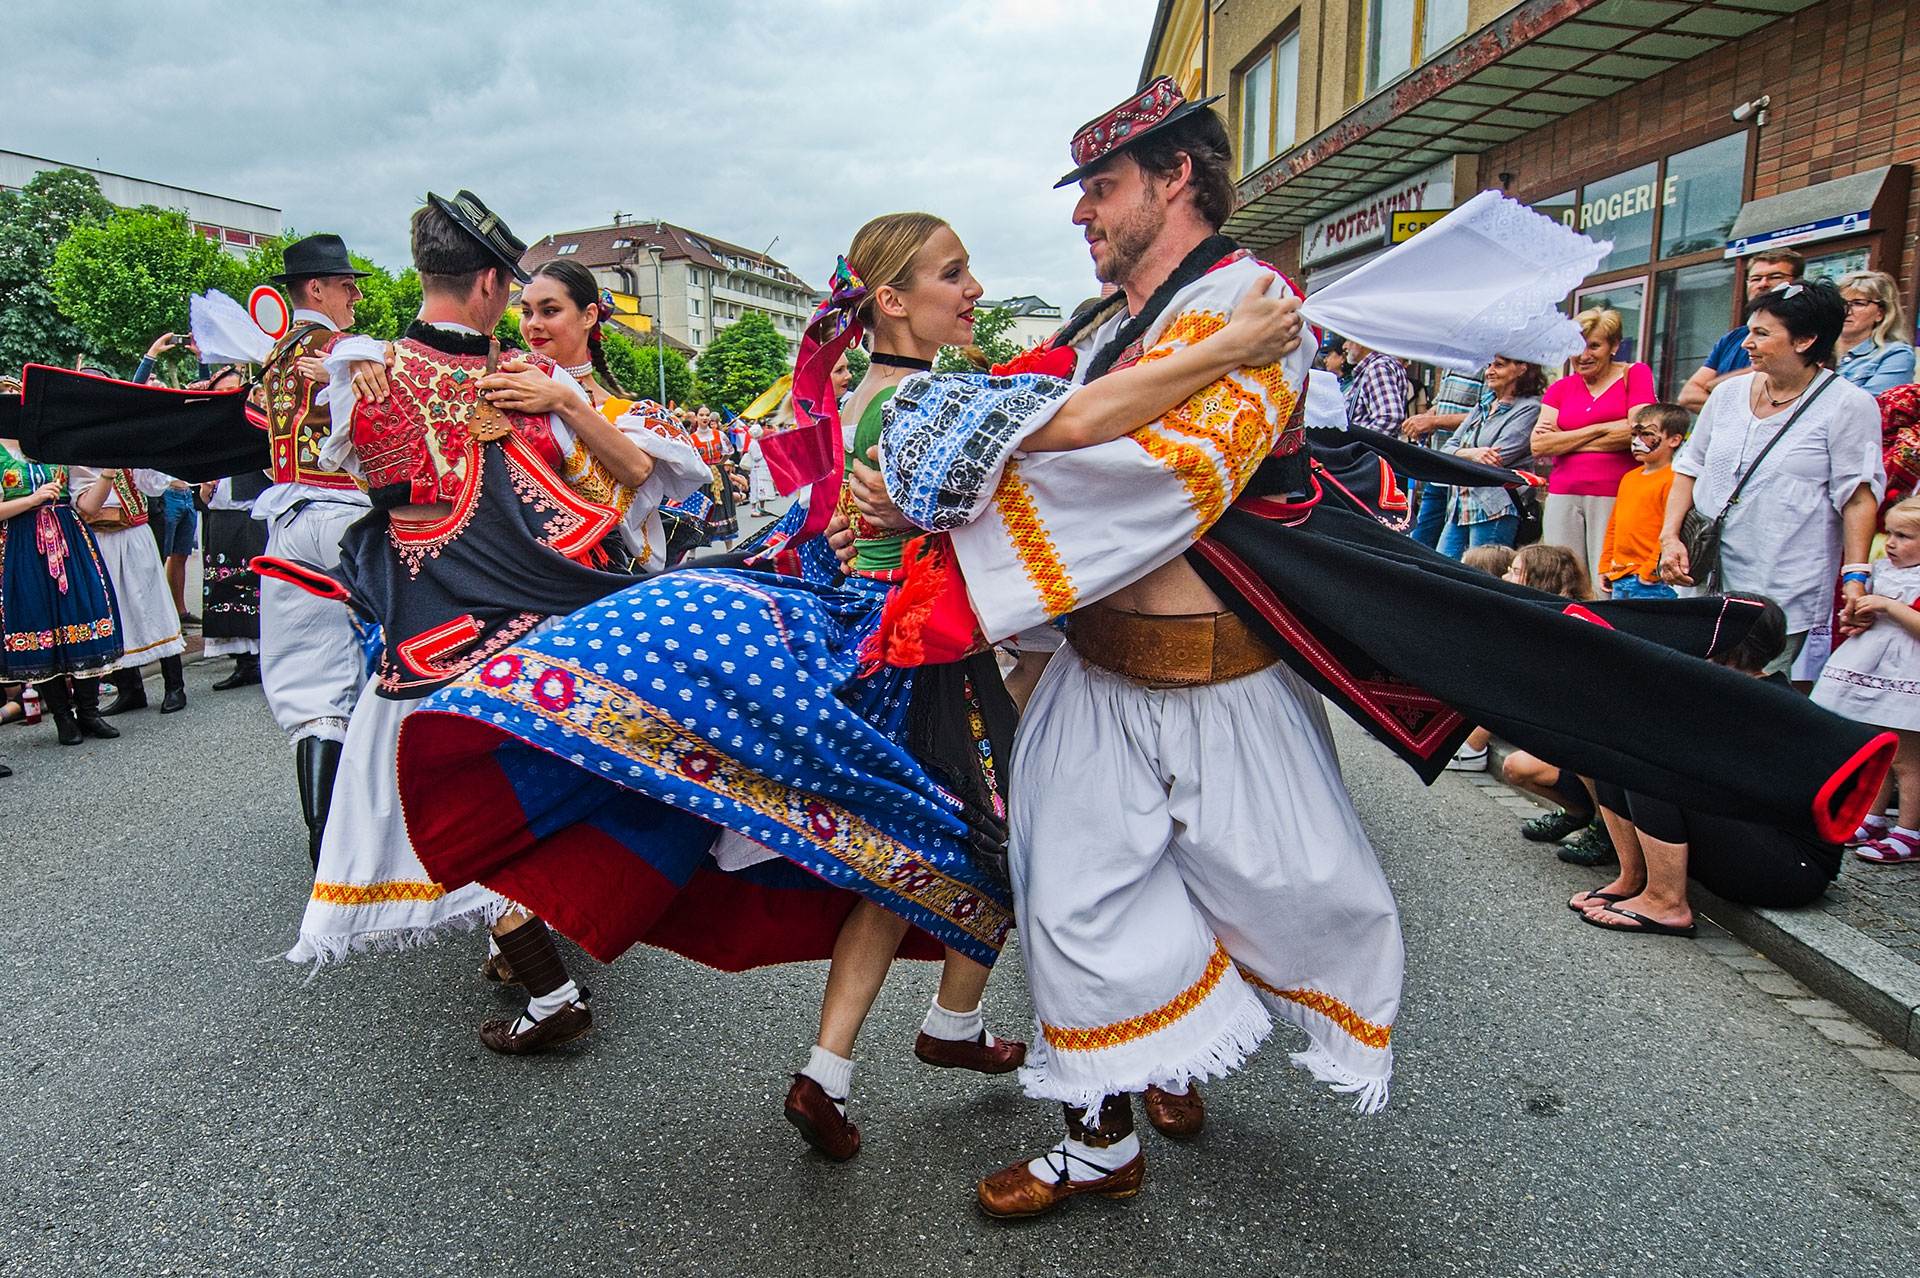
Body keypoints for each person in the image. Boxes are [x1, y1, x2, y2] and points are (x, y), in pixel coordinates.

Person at [284, 192, 704, 1059]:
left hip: (425, 631)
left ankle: (548, 984)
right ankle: (546, 966)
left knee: (459, 808)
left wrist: (362, 354)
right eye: (516, 295)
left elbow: (351, 461)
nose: (521, 310)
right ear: (487, 282)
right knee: (513, 803)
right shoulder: (518, 383)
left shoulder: (369, 377)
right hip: (542, 622)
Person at [1659, 281, 1885, 682]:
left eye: (1762, 333)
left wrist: (1855, 575)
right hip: (1706, 574)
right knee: (1689, 686)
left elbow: (1858, 498)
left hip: (1781, 585)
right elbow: (1689, 467)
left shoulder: (1849, 404)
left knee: (1749, 697)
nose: (1747, 342)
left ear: (1805, 339)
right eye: (1750, 330)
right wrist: (1670, 538)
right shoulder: (1727, 394)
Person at [1577, 596, 1840, 935]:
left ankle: (1666, 902)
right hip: (1755, 837)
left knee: (1653, 763)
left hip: (1792, 868)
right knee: (1621, 753)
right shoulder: (1729, 690)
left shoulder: (1769, 703)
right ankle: (1633, 879)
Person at [252, 233, 375, 864]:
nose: (355, 294)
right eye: (346, 284)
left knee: (314, 682)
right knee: (419, 647)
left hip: (285, 518)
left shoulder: (271, 356)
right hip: (345, 515)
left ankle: (323, 841)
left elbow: (253, 420)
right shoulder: (342, 350)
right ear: (317, 289)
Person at [0, 396, 124, 751]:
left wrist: (108, 473)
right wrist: (32, 499)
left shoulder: (51, 444)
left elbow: (85, 506)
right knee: (39, 624)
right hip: (21, 544)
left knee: (83, 614)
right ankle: (62, 717)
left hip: (70, 539)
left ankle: (89, 711)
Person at [1811, 496, 1920, 863]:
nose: (1890, 543)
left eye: (1903, 536)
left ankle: (1909, 829)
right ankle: (1872, 817)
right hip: (1873, 666)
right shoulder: (1883, 570)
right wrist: (1858, 615)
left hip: (1906, 673)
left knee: (1907, 760)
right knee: (1879, 752)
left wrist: (1888, 606)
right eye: (1889, 533)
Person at [1533, 308, 1655, 594]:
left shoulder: (1635, 374)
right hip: (1564, 493)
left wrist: (1567, 439)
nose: (1583, 355)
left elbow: (1638, 432)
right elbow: (1539, 445)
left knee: (1607, 580)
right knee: (1560, 580)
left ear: (1613, 346)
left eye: (1594, 345)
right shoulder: (1561, 388)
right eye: (1576, 346)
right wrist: (1601, 429)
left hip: (1614, 492)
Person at [69, 457, 184, 719]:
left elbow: (154, 486)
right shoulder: (79, 461)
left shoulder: (126, 452)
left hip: (134, 534)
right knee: (113, 611)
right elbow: (85, 503)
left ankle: (175, 686)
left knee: (155, 605)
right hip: (99, 538)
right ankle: (130, 689)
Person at [1435, 355, 1543, 558]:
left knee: (1483, 575)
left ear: (1522, 369)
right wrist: (1471, 454)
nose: (1489, 371)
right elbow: (1446, 449)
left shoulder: (1530, 408)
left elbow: (1497, 458)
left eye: (1499, 366)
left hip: (1495, 507)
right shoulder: (1484, 404)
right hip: (1460, 505)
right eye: (1489, 365)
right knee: (1441, 568)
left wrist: (1461, 455)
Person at [1676, 251, 1802, 413]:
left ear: (1796, 282)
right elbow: (1688, 396)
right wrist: (1738, 417)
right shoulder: (1733, 338)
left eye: (1775, 277)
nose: (1763, 284)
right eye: (1756, 278)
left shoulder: (1804, 336)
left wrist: (1714, 385)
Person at [1596, 403, 1687, 600]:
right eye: (1633, 435)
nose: (1637, 442)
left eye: (1646, 434)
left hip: (1650, 582)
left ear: (1674, 439)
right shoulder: (1629, 477)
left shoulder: (1674, 480)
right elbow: (1614, 524)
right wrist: (1605, 564)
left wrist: (1650, 571)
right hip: (1620, 574)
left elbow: (1670, 528)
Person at [1402, 367, 1490, 548]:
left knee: (1451, 550)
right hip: (1439, 464)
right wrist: (1424, 418)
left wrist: (1434, 422)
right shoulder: (1452, 363)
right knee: (1419, 542)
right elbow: (1440, 404)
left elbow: (1486, 413)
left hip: (1463, 474)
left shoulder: (1486, 366)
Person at [1834, 270, 1916, 394]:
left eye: (1858, 303)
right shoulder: (1813, 347)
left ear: (1881, 313)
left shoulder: (1895, 355)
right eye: (1841, 303)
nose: (1847, 311)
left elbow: (1869, 407)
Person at [1343, 338, 1409, 435]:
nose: (1344, 346)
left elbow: (1389, 418)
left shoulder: (1377, 367)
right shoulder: (1379, 365)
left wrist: (1357, 442)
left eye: (1348, 340)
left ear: (1360, 341)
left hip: (1366, 448)